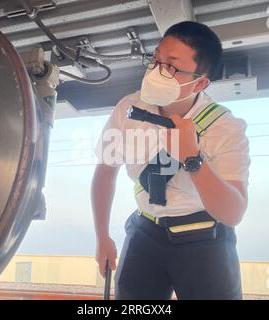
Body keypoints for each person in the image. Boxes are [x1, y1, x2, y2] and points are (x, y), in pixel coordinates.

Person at [91, 21, 251, 300]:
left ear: (199, 82)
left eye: (172, 67)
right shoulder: (128, 108)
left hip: (205, 237)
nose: (156, 71)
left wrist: (192, 159)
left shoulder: (225, 127)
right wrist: (102, 235)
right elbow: (106, 170)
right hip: (144, 230)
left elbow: (233, 212)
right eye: (155, 59)